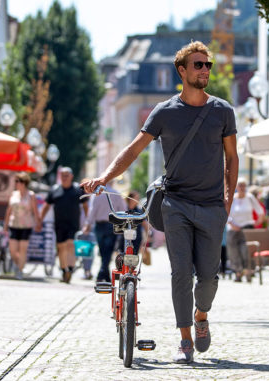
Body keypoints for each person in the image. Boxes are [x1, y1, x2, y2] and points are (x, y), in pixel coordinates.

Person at [82, 41, 238, 364]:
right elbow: (133, 149)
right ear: (182, 71)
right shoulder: (165, 112)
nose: (205, 70)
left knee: (208, 277)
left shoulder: (223, 111)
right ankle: (184, 341)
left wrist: (228, 198)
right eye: (199, 65)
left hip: (212, 207)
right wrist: (104, 177)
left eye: (207, 65)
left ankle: (200, 316)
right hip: (176, 204)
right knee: (180, 273)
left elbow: (232, 159)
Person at [40, 167, 89, 284]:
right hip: (59, 224)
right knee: (61, 247)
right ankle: (64, 270)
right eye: (62, 175)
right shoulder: (55, 190)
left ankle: (70, 269)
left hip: (73, 223)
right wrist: (39, 220)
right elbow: (46, 206)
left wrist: (88, 222)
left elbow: (86, 207)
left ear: (71, 176)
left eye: (67, 175)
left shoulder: (78, 190)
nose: (64, 177)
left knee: (70, 245)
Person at [82, 181, 127, 283]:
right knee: (108, 251)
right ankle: (104, 275)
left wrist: (87, 224)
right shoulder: (116, 194)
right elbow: (123, 210)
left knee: (103, 251)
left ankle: (102, 274)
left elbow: (92, 211)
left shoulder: (96, 195)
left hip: (99, 226)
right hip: (112, 225)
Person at [3, 172, 41, 280]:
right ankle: (19, 264)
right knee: (13, 250)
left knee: (23, 249)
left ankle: (19, 270)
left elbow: (35, 211)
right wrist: (5, 225)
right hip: (14, 224)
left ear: (24, 183)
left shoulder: (31, 195)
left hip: (26, 224)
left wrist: (38, 223)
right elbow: (8, 211)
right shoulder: (13, 194)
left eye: (18, 181)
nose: (16, 184)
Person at [226, 178, 264, 282]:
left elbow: (260, 211)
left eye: (244, 185)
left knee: (246, 250)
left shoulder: (250, 197)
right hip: (233, 229)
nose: (242, 188)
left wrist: (258, 222)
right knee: (233, 251)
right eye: (240, 185)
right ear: (236, 187)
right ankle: (238, 272)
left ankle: (248, 271)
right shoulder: (232, 198)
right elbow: (225, 213)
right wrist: (231, 223)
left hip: (247, 227)